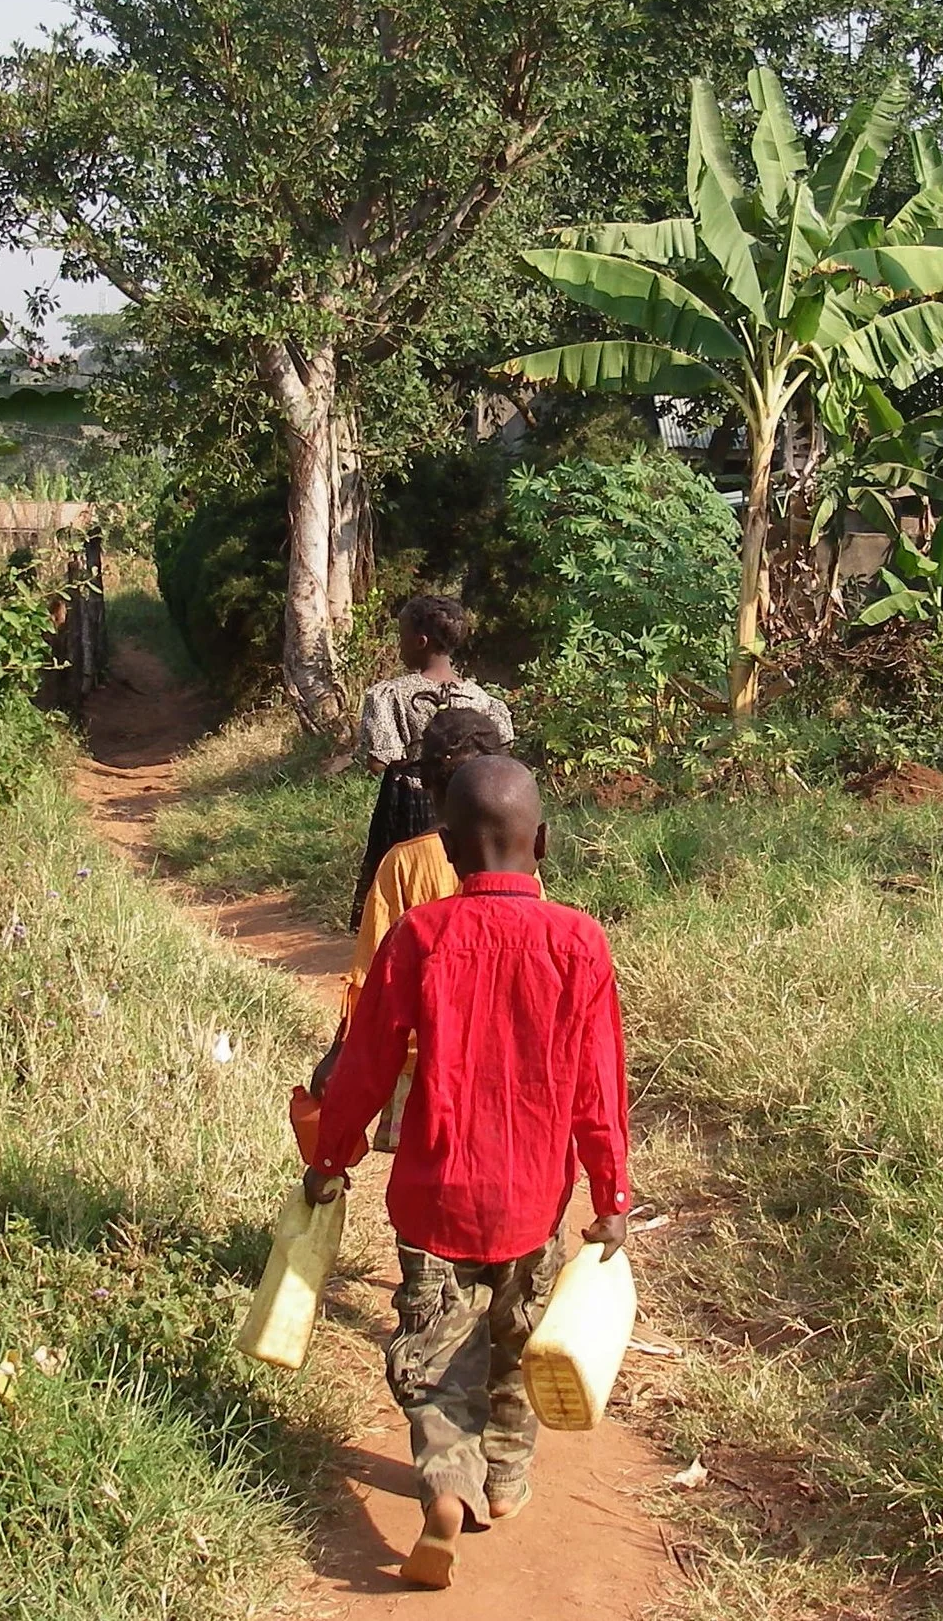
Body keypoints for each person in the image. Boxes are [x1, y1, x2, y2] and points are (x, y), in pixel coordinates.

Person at [308, 756, 631, 1591]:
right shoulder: (580, 941)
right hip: (533, 1199)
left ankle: (445, 1484)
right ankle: (507, 1478)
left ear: (446, 848)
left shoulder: (421, 936)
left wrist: (330, 1156)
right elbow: (600, 1084)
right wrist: (612, 1198)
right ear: (544, 842)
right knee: (518, 1345)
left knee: (432, 1350)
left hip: (433, 1196)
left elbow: (369, 1062)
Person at [309, 707, 511, 1150]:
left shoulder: (403, 863)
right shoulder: (522, 867)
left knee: (422, 1189)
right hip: (501, 1064)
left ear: (430, 789)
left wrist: (340, 1052)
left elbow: (369, 980)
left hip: (421, 1068)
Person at [350, 595, 513, 930]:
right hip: (471, 803)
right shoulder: (484, 699)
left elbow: (378, 762)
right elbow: (499, 757)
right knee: (463, 876)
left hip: (409, 803)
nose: (399, 644)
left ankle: (399, 941)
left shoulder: (390, 695)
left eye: (401, 636)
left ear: (420, 641)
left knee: (405, 879)